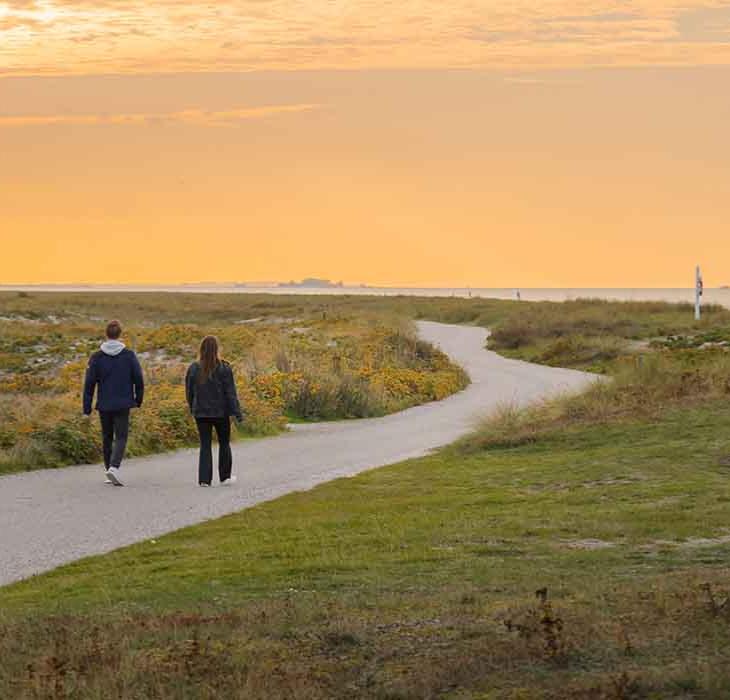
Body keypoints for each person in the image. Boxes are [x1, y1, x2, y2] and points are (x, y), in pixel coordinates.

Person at [83, 320, 144, 486]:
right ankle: (114, 468)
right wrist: (138, 399)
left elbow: (89, 384)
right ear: (120, 334)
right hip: (123, 403)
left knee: (107, 437)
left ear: (106, 334)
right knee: (121, 436)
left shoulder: (97, 357)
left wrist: (86, 409)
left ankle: (108, 469)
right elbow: (138, 379)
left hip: (104, 403)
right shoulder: (128, 355)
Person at [186, 336, 243, 487]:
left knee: (205, 445)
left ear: (201, 349)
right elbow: (230, 393)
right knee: (224, 443)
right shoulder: (224, 368)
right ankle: (225, 477)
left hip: (201, 413)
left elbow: (189, 392)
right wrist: (237, 413)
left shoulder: (193, 368)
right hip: (221, 413)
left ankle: (204, 479)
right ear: (217, 349)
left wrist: (192, 407)